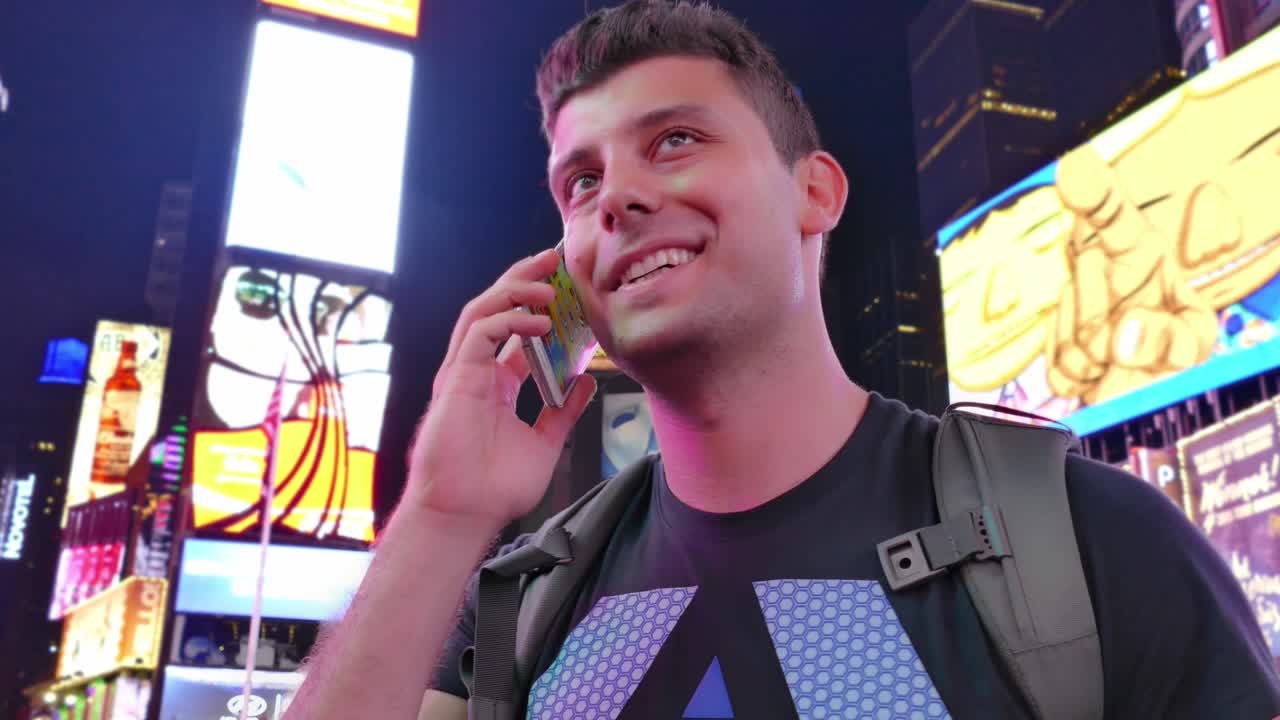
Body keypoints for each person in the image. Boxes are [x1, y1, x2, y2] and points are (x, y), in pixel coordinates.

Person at [286, 2, 1280, 718]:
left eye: (673, 141)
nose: (615, 197)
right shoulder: (524, 603)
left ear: (816, 193)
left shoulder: (1092, 543)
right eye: (577, 182)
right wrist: (441, 510)